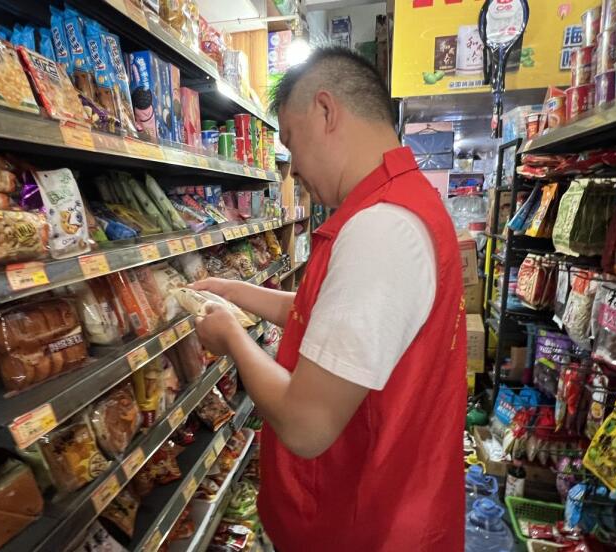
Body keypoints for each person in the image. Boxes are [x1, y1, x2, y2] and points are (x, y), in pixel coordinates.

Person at [192, 47, 466, 551]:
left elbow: (306, 425)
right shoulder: (401, 203)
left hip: (362, 527)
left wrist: (231, 337)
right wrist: (238, 293)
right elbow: (329, 321)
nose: (293, 170)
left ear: (325, 111)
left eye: (291, 143)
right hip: (381, 507)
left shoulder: (381, 230)